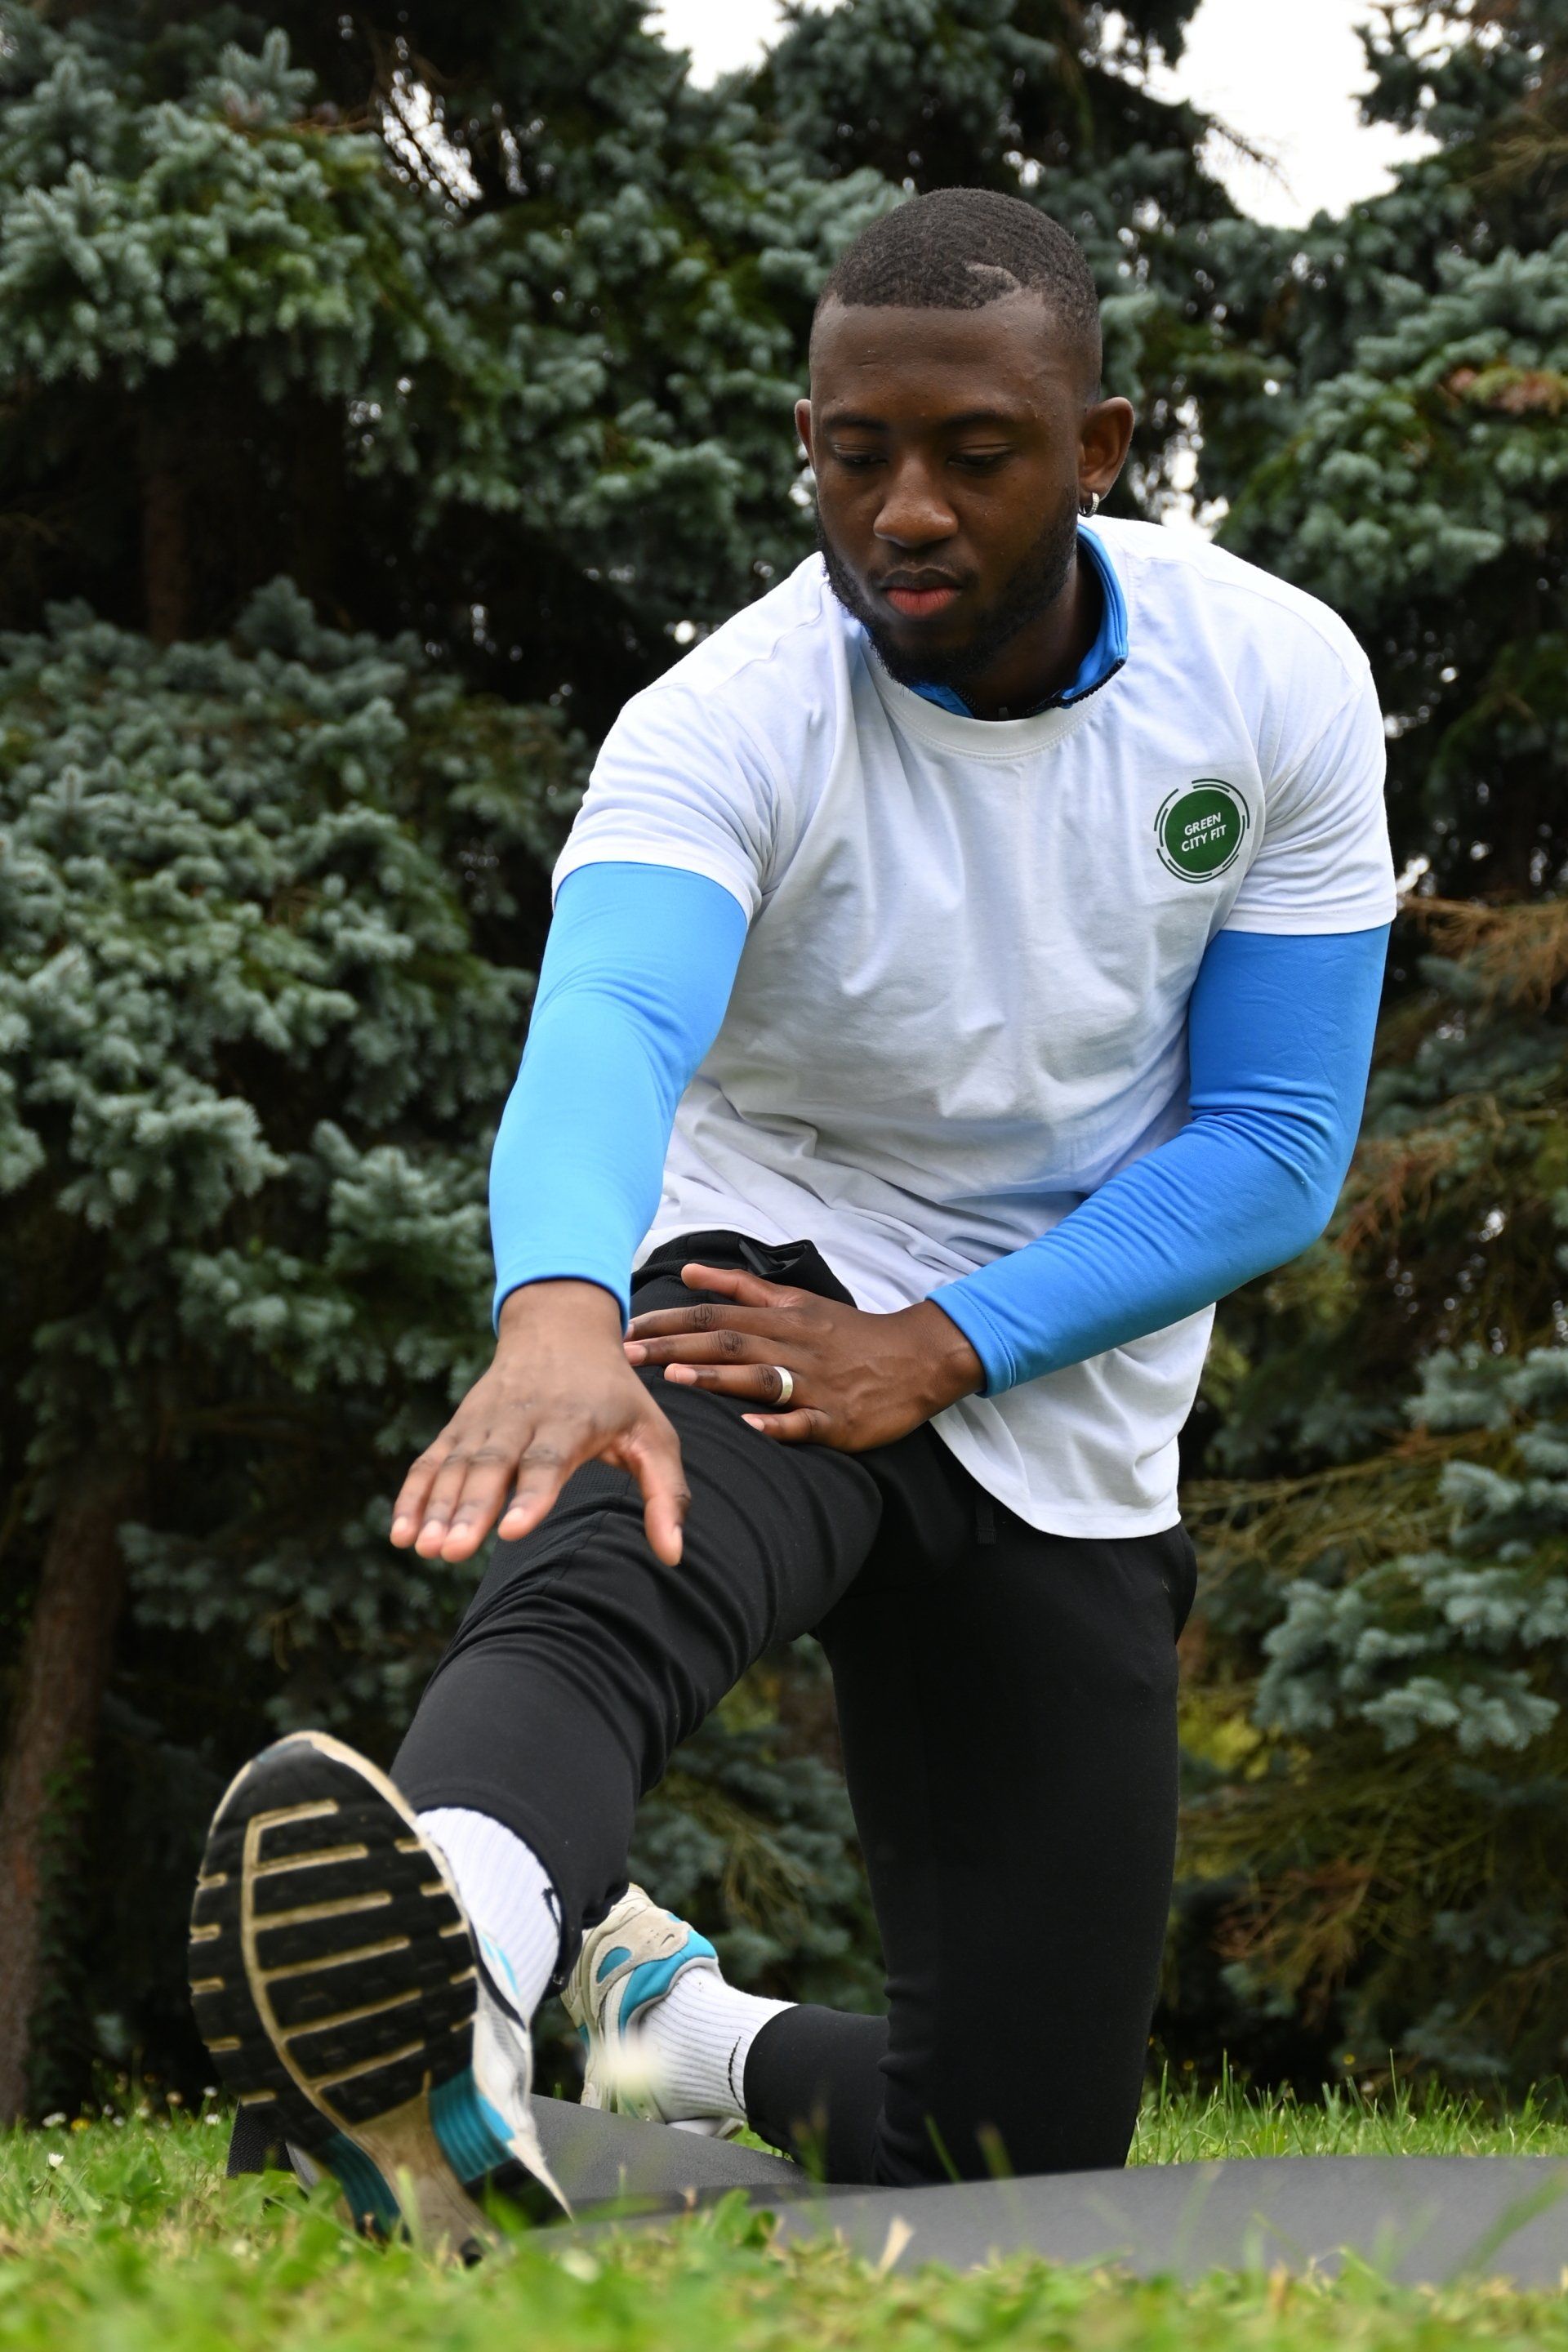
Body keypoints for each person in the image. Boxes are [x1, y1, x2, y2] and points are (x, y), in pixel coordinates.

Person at [189, 186, 1395, 2242]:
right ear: (810, 445)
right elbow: (612, 1022)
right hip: (770, 1259)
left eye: (976, 454)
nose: (905, 510)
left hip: (1056, 1371)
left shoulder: (1272, 678)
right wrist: (559, 1313)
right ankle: (449, 1968)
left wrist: (945, 1348)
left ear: (1099, 450)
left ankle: (671, 2030)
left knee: (1015, 2157)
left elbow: (1277, 1140)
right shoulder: (726, 719)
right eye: (857, 454)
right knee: (612, 1573)